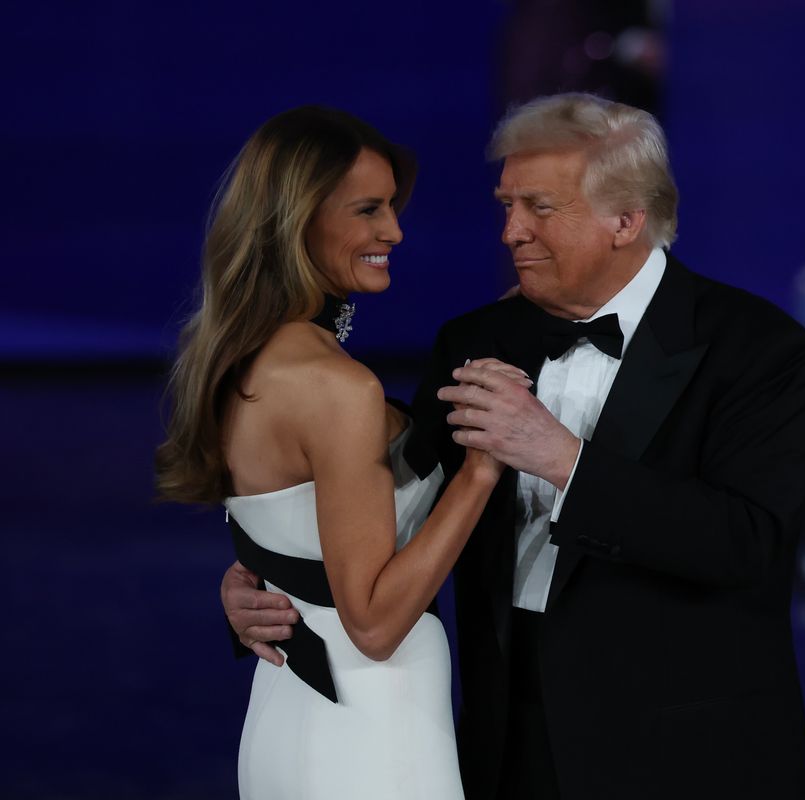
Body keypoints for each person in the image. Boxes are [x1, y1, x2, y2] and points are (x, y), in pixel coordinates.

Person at [225, 94, 805, 799]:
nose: (510, 232)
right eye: (506, 205)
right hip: (509, 750)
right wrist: (266, 579)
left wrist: (562, 459)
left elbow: (748, 542)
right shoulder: (475, 339)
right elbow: (393, 516)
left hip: (688, 754)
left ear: (625, 220)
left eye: (539, 208)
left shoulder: (756, 349)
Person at [158, 106, 527, 799]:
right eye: (369, 210)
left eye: (391, 207)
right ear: (300, 221)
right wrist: (483, 465)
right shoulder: (338, 387)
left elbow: (287, 533)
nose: (394, 230)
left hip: (288, 714)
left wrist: (247, 585)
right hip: (371, 730)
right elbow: (376, 624)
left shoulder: (245, 358)